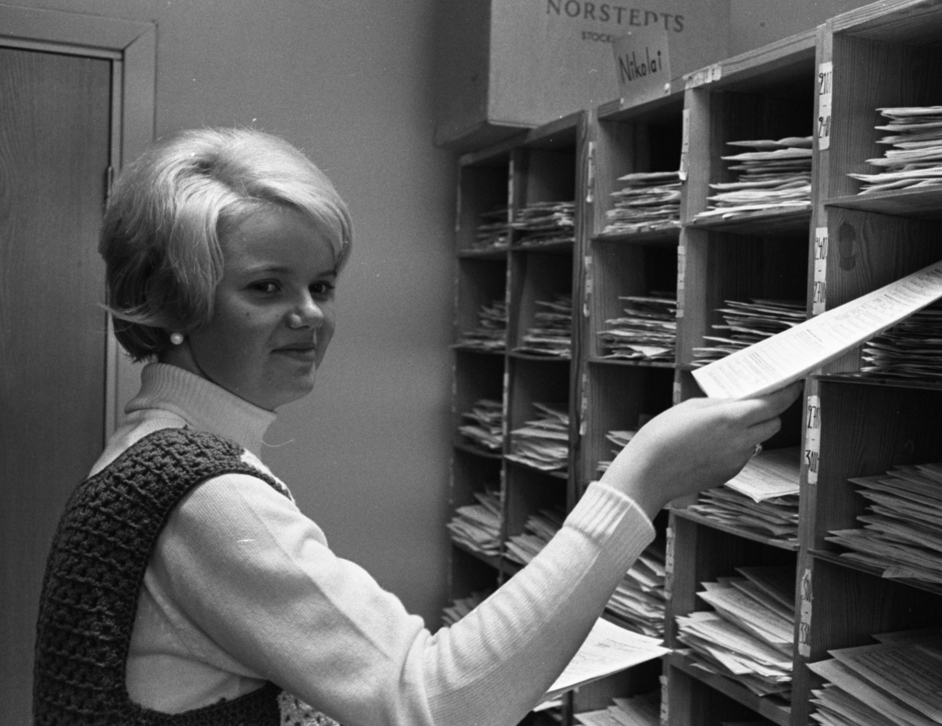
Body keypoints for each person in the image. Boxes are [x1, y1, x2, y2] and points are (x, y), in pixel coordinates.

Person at [33, 127, 799, 726]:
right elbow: (431, 705)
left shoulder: (153, 448)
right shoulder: (203, 494)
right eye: (266, 288)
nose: (311, 316)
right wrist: (640, 481)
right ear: (172, 303)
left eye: (322, 285)